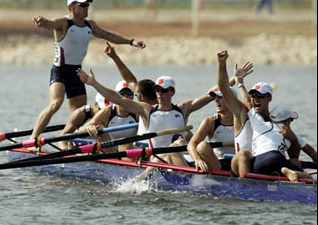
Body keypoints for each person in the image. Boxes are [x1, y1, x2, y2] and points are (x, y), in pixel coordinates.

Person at [29, 0, 146, 144]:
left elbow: (109, 35)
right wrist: (41, 21)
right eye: (82, 5)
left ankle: (73, 145)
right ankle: (32, 140)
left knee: (79, 114)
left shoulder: (90, 25)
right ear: (71, 7)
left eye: (87, 5)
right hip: (60, 71)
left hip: (77, 72)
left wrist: (131, 42)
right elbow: (48, 24)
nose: (86, 7)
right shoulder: (63, 23)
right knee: (56, 103)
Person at [76, 68, 219, 167]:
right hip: (155, 158)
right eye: (157, 90)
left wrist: (233, 77)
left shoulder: (183, 109)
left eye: (163, 91)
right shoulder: (147, 110)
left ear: (172, 92)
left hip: (180, 158)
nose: (159, 94)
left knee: (201, 147)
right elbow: (118, 100)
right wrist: (94, 83)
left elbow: (211, 94)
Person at [217, 50, 312, 182]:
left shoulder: (272, 125)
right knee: (245, 154)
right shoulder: (243, 114)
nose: (255, 99)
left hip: (260, 165)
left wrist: (293, 151)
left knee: (291, 163)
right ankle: (248, 187)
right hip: (239, 164)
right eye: (254, 96)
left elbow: (248, 101)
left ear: (269, 98)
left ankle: (272, 178)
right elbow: (224, 88)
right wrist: (223, 65)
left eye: (260, 96)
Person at [79, 81, 139, 156]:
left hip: (128, 151)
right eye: (122, 94)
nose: (125, 97)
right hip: (109, 152)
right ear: (116, 96)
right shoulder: (107, 112)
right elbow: (80, 131)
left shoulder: (137, 112)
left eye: (129, 94)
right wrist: (88, 128)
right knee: (100, 130)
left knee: (126, 145)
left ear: (133, 97)